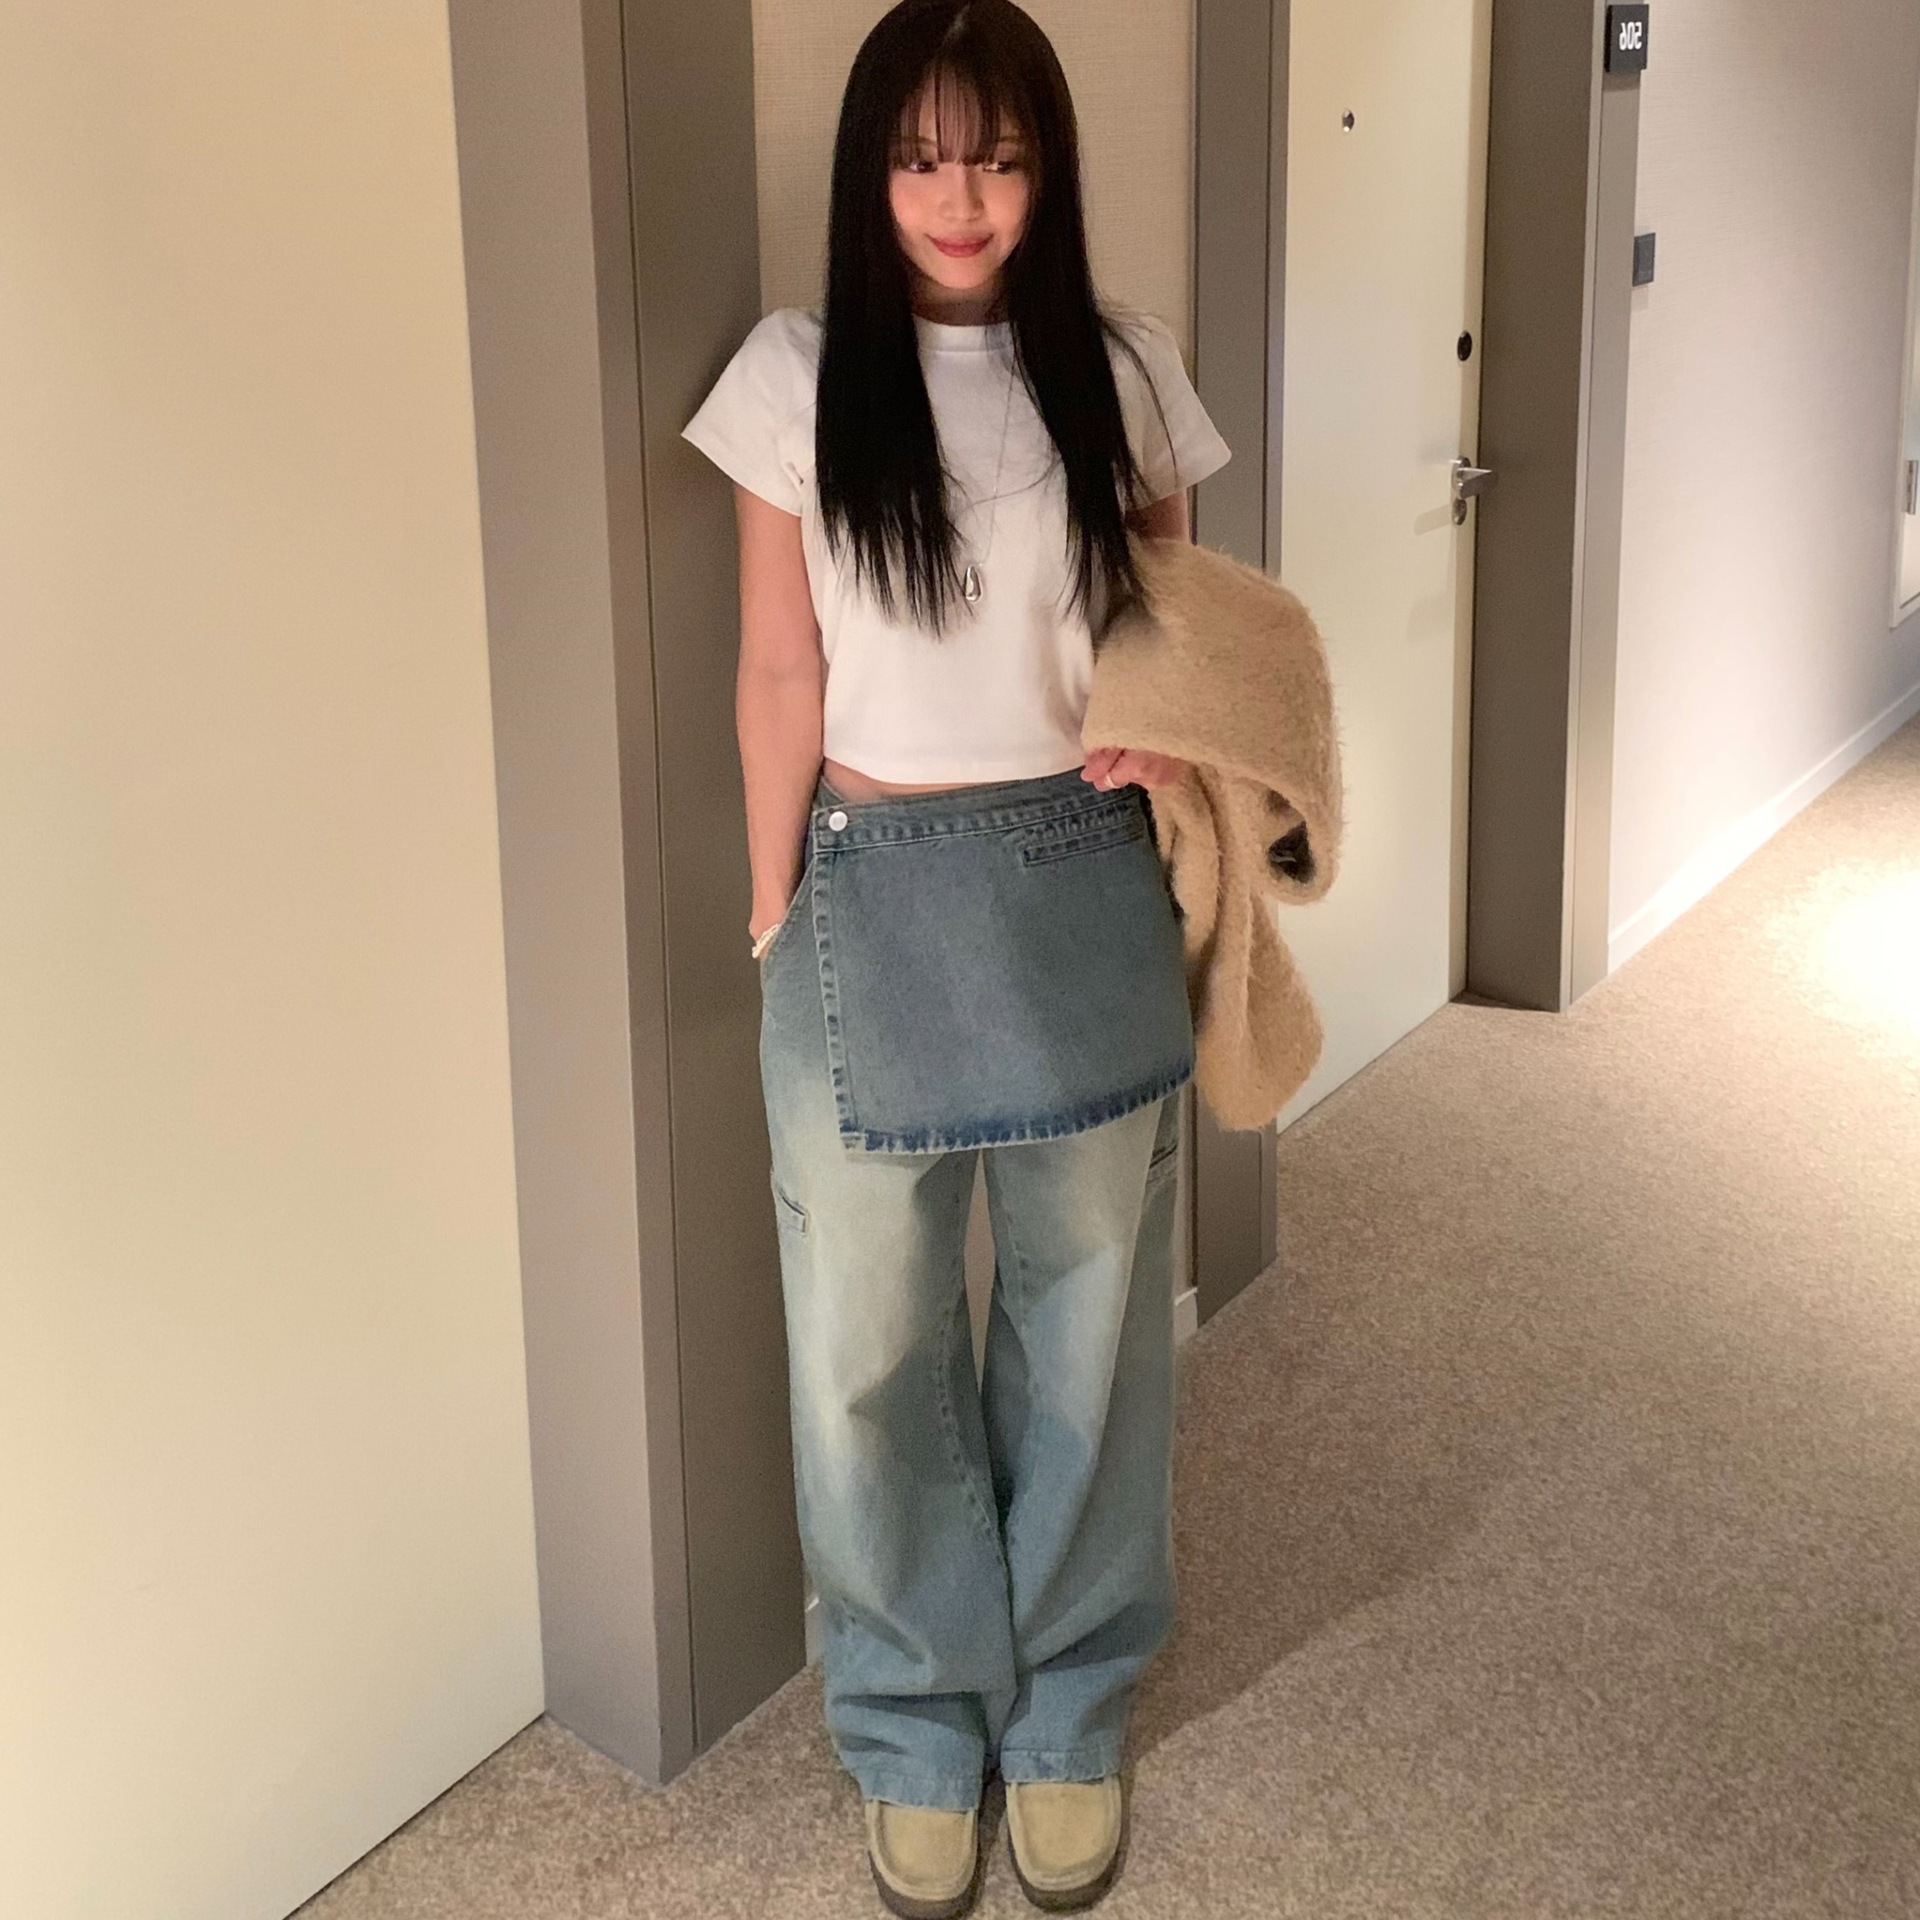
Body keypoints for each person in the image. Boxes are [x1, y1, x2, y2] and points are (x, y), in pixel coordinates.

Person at [682, 3, 1229, 1912]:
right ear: (871, 170)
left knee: (1091, 1311)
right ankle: (914, 1720)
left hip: (1083, 874)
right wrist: (773, 907)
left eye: (997, 154)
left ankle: (1070, 1706)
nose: (962, 195)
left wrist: (1168, 743)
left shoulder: (1127, 372)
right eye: (921, 156)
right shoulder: (795, 377)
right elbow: (778, 666)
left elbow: (1174, 636)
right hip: (860, 879)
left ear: (1047, 165)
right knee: (865, 1339)